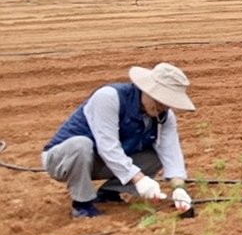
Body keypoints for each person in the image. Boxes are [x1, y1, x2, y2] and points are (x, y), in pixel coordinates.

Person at [43, 63, 196, 219]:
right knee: (81, 145)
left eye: (167, 103)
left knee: (154, 156)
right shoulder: (109, 97)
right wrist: (139, 179)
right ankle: (82, 204)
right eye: (160, 100)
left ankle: (110, 192)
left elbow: (171, 152)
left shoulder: (164, 117)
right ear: (147, 90)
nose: (162, 107)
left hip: (101, 162)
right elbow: (107, 146)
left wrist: (179, 188)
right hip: (63, 160)